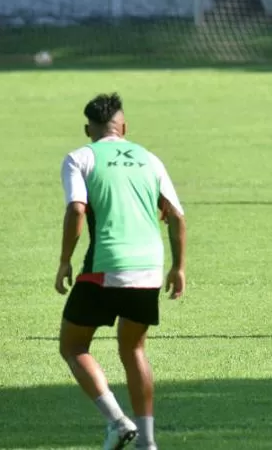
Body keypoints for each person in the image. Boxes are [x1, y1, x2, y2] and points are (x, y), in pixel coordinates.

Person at [56, 93, 186, 450]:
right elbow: (175, 215)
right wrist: (178, 267)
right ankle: (147, 442)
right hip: (149, 268)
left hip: (106, 265)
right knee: (134, 349)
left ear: (89, 129)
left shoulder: (80, 158)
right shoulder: (149, 158)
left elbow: (77, 210)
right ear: (124, 126)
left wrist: (65, 260)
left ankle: (117, 422)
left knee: (73, 345)